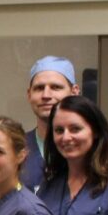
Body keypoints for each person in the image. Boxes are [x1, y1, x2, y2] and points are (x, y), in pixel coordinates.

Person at [23, 56, 80, 190]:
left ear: (74, 92)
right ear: (29, 94)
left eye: (55, 87)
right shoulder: (15, 149)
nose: (46, 95)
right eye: (39, 88)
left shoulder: (93, 152)